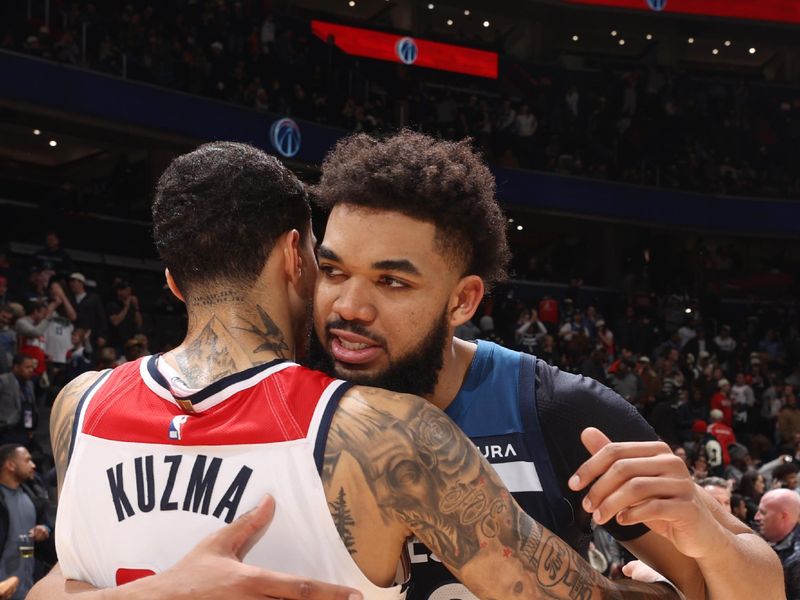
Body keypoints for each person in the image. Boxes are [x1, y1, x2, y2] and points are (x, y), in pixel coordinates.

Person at [32, 142, 679, 600]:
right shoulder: (385, 433)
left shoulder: (78, 406)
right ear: (296, 256)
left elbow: (64, 581)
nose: (345, 302)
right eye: (330, 265)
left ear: (173, 281)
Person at [308, 131, 779, 599]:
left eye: (390, 281)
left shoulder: (555, 409)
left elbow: (750, 589)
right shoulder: (279, 393)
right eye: (333, 271)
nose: (349, 306)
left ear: (463, 300)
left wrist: (712, 544)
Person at [0, 444, 52, 599]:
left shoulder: (30, 496)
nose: (33, 465)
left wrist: (45, 529)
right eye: (27, 460)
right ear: (10, 465)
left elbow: (47, 524)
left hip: (27, 587)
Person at [755, 489, 800, 599]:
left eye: (763, 512)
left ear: (783, 516)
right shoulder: (770, 540)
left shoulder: (796, 558)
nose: (756, 517)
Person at [0, 356, 36, 446]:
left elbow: (29, 407)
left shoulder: (29, 384)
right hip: (6, 429)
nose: (31, 370)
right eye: (27, 367)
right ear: (16, 367)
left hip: (24, 430)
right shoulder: (4, 380)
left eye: (32, 367)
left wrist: (29, 428)